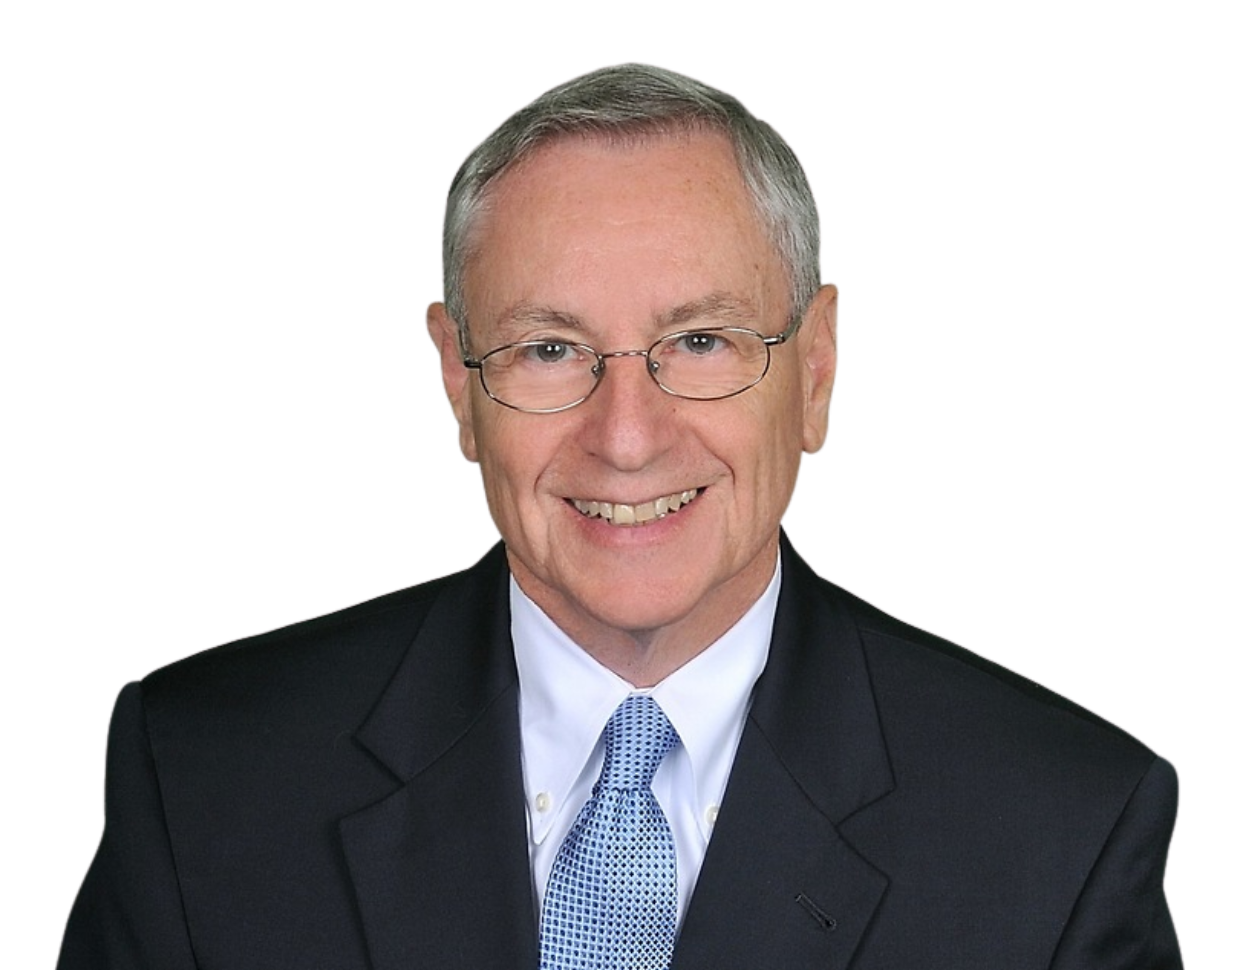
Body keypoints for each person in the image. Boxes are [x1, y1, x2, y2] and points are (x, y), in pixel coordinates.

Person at [60, 63, 1180, 969]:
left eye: (700, 341)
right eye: (550, 349)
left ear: (818, 370)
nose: (628, 436)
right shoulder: (199, 777)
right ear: (456, 382)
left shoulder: (1064, 828)